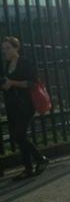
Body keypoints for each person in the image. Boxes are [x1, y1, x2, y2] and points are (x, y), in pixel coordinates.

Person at [1, 36, 48, 180]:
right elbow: (7, 83)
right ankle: (28, 168)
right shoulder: (7, 64)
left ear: (16, 48)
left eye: (8, 48)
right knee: (19, 136)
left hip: (26, 104)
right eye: (3, 49)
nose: (5, 51)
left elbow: (32, 83)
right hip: (12, 104)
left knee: (19, 134)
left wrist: (13, 83)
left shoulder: (25, 63)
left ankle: (40, 159)